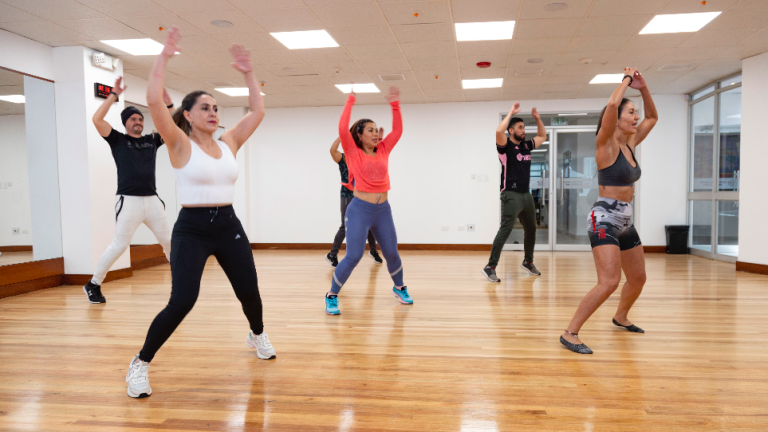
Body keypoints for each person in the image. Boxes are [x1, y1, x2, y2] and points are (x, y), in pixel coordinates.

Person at [124, 27, 275, 398]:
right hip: (191, 228)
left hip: (228, 224)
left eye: (215, 107)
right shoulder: (178, 144)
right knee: (183, 299)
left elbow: (258, 110)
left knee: (249, 292)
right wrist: (164, 57)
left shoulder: (229, 142)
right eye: (204, 107)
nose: (212, 112)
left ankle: (256, 334)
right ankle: (140, 364)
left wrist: (248, 73)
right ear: (188, 116)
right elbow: (154, 102)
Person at [560, 67, 658, 355]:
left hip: (625, 219)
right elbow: (612, 105)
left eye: (635, 112)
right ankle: (570, 332)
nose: (636, 117)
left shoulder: (630, 143)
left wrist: (643, 87)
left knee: (638, 278)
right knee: (610, 281)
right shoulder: (605, 144)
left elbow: (653, 117)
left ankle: (621, 316)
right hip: (603, 218)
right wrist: (627, 80)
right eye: (631, 113)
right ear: (617, 119)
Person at [84, 78, 175, 304]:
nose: (138, 122)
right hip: (128, 201)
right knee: (119, 246)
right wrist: (113, 95)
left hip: (153, 201)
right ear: (126, 123)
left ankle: (182, 282)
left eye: (140, 119)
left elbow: (172, 127)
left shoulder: (152, 140)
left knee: (170, 242)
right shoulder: (117, 140)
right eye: (133, 119)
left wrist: (169, 106)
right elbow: (97, 119)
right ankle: (93, 284)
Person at [324, 87, 411, 315]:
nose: (375, 133)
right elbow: (343, 129)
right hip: (359, 210)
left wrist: (395, 105)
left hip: (383, 210)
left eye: (376, 130)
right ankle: (332, 295)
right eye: (369, 130)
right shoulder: (352, 152)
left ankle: (399, 287)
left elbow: (398, 130)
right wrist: (350, 101)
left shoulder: (383, 149)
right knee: (353, 255)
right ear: (360, 135)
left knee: (391, 252)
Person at [481, 103, 547, 283]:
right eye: (520, 127)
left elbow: (542, 135)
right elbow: (498, 132)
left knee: (531, 229)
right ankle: (490, 267)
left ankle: (528, 261)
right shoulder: (505, 146)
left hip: (526, 195)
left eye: (524, 127)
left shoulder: (527, 146)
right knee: (506, 229)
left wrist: (538, 119)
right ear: (511, 130)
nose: (523, 130)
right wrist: (511, 113)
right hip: (510, 193)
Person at [325, 136, 383, 267]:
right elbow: (332, 150)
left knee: (369, 225)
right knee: (346, 226)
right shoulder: (343, 158)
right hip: (347, 196)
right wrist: (341, 135)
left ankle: (373, 252)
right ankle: (332, 255)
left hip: (363, 196)